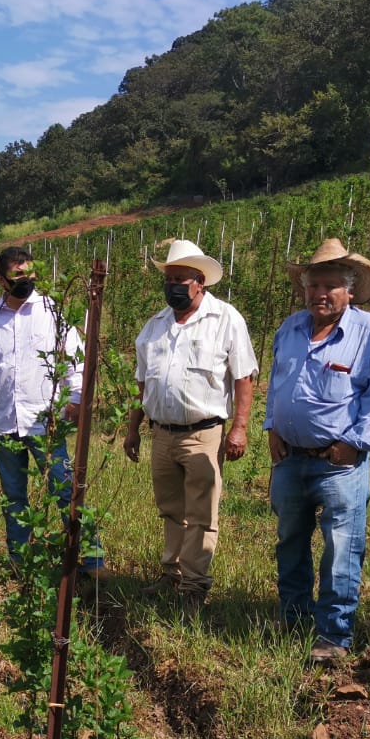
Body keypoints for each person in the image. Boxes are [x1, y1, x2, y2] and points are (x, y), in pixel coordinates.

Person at [264, 239, 370, 663]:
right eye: (313, 285)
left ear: (350, 290)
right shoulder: (290, 329)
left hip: (339, 464)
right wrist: (271, 426)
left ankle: (333, 636)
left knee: (342, 547)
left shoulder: (369, 330)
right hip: (289, 459)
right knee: (289, 540)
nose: (320, 294)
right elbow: (277, 382)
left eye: (330, 286)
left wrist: (355, 443)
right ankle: (294, 615)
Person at [123, 239, 258, 610]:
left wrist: (240, 427)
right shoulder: (154, 326)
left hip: (204, 432)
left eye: (180, 279)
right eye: (168, 279)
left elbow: (244, 377)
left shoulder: (226, 319)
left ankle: (195, 586)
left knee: (201, 512)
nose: (172, 287)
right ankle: (172, 574)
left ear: (200, 281)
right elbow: (142, 382)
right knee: (170, 508)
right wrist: (133, 428)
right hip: (162, 434)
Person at [0, 247, 108, 578]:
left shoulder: (51, 311)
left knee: (65, 490)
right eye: (19, 276)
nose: (27, 280)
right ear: (2, 280)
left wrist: (74, 400)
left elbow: (74, 360)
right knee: (14, 495)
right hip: (4, 420)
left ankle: (92, 561)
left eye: (31, 274)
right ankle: (20, 562)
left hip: (45, 420)